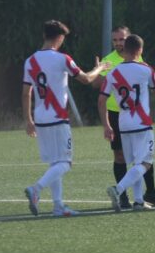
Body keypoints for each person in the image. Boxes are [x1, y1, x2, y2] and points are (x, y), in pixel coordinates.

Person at [22, 20, 105, 217]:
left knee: (55, 162)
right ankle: (36, 188)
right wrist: (100, 68)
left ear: (44, 35)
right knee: (65, 163)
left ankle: (58, 206)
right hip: (58, 118)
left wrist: (28, 120)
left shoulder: (30, 61)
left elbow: (26, 93)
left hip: (40, 118)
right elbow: (85, 79)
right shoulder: (62, 59)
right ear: (59, 38)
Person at [100, 25, 155, 208]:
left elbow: (101, 100)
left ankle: (138, 201)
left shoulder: (113, 73)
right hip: (142, 123)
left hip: (123, 124)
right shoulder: (146, 69)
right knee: (145, 162)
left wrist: (106, 125)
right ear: (140, 50)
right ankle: (118, 189)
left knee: (135, 164)